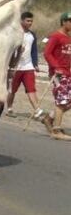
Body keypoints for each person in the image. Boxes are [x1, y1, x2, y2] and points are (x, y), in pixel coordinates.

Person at [6, 11, 43, 118]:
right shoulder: (14, 33)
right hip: (15, 67)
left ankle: (37, 110)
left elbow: (34, 50)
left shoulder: (32, 35)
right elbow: (8, 49)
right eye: (28, 21)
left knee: (31, 89)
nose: (30, 23)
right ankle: (9, 108)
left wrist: (35, 63)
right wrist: (16, 51)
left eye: (31, 21)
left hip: (28, 66)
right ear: (22, 21)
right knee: (12, 90)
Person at [43, 11, 71, 140]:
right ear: (64, 21)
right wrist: (56, 67)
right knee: (61, 101)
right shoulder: (56, 36)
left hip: (68, 73)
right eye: (70, 21)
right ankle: (56, 130)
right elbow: (47, 53)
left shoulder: (68, 37)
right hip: (58, 74)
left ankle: (49, 119)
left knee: (68, 102)